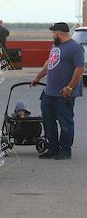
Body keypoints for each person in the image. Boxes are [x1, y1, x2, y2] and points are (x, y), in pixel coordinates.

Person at [32, 22, 85, 160]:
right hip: (49, 92)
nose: (52, 35)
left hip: (64, 93)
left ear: (59, 33)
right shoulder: (56, 45)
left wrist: (69, 87)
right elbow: (50, 62)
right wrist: (38, 77)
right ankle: (53, 148)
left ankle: (65, 150)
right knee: (48, 121)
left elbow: (80, 69)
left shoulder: (76, 48)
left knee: (65, 122)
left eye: (53, 33)